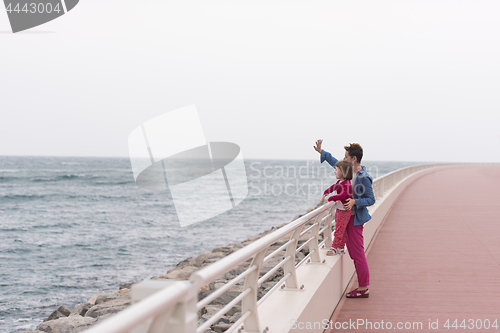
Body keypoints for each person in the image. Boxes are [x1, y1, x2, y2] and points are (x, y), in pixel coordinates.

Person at [313, 139, 375, 298]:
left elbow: (371, 199)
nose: (343, 159)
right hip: (346, 218)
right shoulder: (347, 170)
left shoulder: (363, 177)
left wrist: (355, 201)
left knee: (357, 253)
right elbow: (334, 161)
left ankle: (363, 288)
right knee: (353, 252)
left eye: (346, 156)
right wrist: (322, 152)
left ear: (353, 159)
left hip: (354, 220)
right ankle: (362, 285)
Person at [321, 160, 353, 256]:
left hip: (344, 211)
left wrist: (331, 198)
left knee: (339, 229)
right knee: (341, 229)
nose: (335, 171)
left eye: (337, 170)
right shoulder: (341, 182)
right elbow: (334, 187)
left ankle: (334, 248)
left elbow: (342, 196)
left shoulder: (347, 184)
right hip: (340, 210)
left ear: (343, 172)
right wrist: (326, 192)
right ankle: (340, 248)